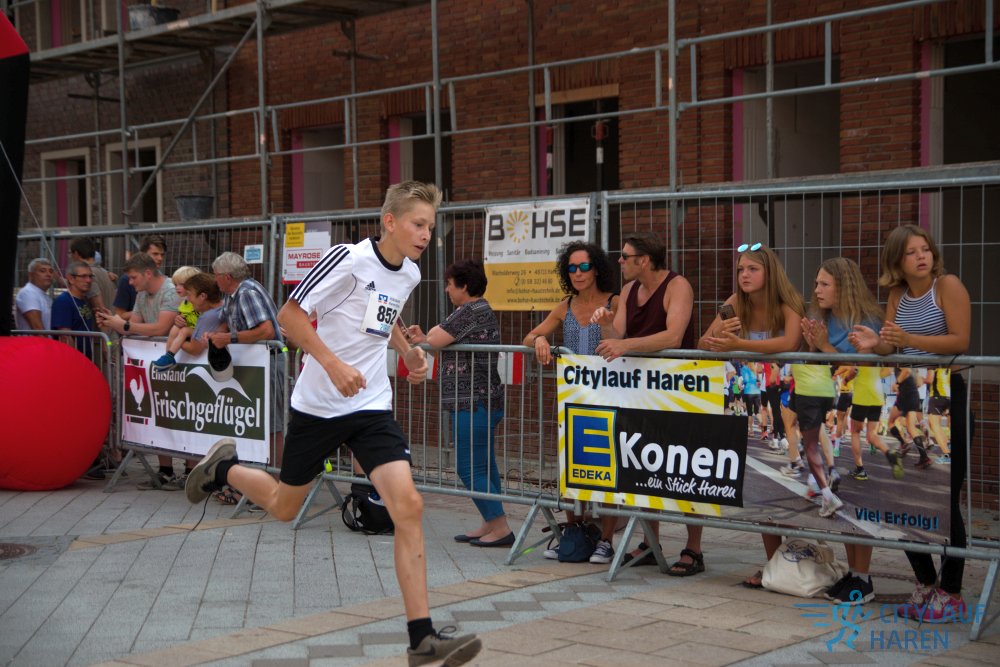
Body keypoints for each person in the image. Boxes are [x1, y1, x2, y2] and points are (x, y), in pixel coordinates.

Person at [183, 181, 482, 666]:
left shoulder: (409, 272)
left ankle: (422, 639)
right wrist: (332, 364)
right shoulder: (347, 258)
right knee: (284, 507)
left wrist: (408, 352)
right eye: (418, 224)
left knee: (408, 505)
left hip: (370, 405)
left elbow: (383, 317)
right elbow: (289, 316)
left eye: (431, 226)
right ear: (390, 221)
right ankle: (224, 469)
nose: (427, 234)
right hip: (320, 404)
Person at [851, 224, 973, 622]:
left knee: (945, 500)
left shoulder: (947, 286)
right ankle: (924, 582)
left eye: (925, 249)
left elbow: (960, 341)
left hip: (946, 395)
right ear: (897, 261)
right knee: (898, 494)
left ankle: (951, 592)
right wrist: (877, 344)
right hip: (908, 395)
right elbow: (892, 344)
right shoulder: (897, 295)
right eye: (911, 252)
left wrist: (908, 338)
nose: (921, 257)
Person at [590, 232, 703, 576]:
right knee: (644, 463)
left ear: (644, 260)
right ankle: (650, 542)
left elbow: (673, 336)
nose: (619, 261)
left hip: (678, 387)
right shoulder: (627, 291)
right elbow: (618, 338)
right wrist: (607, 325)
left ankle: (694, 549)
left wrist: (625, 345)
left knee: (687, 468)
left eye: (625, 256)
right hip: (642, 388)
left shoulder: (677, 286)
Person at [698, 243, 805, 589]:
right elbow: (702, 343)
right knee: (763, 495)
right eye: (741, 269)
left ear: (769, 272)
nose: (744, 275)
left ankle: (798, 561)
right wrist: (721, 336)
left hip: (793, 394)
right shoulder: (734, 302)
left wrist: (738, 345)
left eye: (752, 269)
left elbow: (790, 342)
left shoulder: (789, 302)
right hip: (756, 396)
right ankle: (774, 564)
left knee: (797, 494)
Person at [521, 241, 620, 563]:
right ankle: (574, 533)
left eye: (584, 267)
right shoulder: (565, 305)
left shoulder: (615, 301)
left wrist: (607, 322)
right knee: (571, 465)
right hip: (573, 400)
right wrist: (540, 339)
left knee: (607, 468)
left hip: (610, 396)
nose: (577, 273)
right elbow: (529, 336)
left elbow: (622, 340)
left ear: (597, 269)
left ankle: (606, 539)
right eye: (572, 268)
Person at [407, 259, 512, 548]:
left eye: (450, 285)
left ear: (464, 286)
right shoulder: (471, 311)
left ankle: (501, 527)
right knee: (484, 466)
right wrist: (424, 339)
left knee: (469, 469)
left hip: (473, 401)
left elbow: (436, 338)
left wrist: (427, 337)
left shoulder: (471, 311)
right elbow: (440, 345)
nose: (447, 290)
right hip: (477, 400)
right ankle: (490, 522)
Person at [800, 257, 886, 605]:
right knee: (846, 498)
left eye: (824, 284)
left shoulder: (866, 320)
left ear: (844, 286)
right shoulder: (822, 317)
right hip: (832, 404)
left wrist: (823, 348)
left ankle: (863, 577)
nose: (817, 290)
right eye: (816, 283)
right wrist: (813, 345)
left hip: (859, 404)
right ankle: (854, 573)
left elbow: (857, 367)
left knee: (859, 497)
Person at [97, 252, 182, 487]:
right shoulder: (142, 294)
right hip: (155, 363)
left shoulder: (171, 291)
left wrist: (122, 325)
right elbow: (134, 324)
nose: (130, 283)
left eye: (134, 277)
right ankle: (166, 470)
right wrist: (112, 321)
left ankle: (188, 470)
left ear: (147, 273)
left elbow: (160, 328)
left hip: (177, 362)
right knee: (160, 414)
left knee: (179, 415)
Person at [151, 266, 201, 371]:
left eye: (181, 284)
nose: (177, 287)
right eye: (175, 284)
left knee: (184, 330)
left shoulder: (200, 301)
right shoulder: (184, 302)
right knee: (175, 328)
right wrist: (179, 319)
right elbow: (183, 316)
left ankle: (169, 356)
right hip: (191, 331)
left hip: (201, 333)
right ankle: (167, 357)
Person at [51, 260, 98, 358]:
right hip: (72, 359)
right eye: (83, 276)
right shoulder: (63, 301)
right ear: (71, 279)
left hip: (86, 357)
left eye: (90, 276)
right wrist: (77, 359)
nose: (88, 280)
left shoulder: (84, 299)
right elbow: (65, 336)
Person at [113, 234, 166, 317]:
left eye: (162, 255)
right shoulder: (127, 280)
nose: (160, 258)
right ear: (143, 254)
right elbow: (120, 314)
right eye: (155, 254)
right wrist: (144, 311)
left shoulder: (164, 281)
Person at [69, 237, 116, 314]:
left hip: (104, 320)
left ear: (76, 254)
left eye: (71, 253)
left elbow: (99, 308)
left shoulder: (88, 275)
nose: (71, 257)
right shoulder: (104, 272)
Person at [15, 257, 53, 331]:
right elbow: (38, 329)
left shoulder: (44, 296)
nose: (48, 274)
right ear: (31, 275)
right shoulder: (28, 293)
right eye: (42, 271)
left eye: (51, 271)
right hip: (35, 339)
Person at [925, 367, 952, 463]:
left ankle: (947, 454)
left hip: (937, 396)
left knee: (935, 426)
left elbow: (929, 379)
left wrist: (919, 380)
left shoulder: (933, 362)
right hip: (948, 396)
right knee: (934, 425)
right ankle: (947, 445)